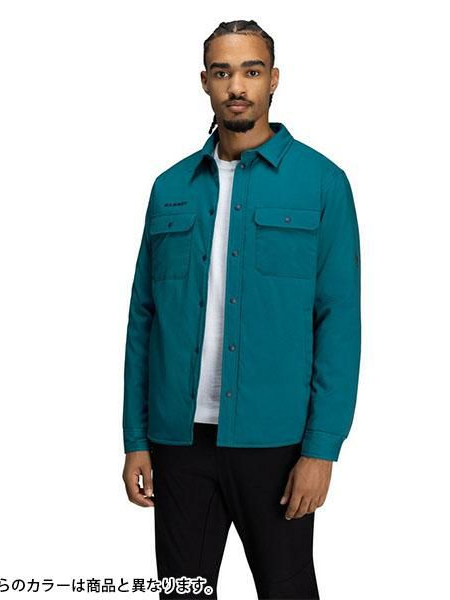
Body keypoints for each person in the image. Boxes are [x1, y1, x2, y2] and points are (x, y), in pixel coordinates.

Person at [122, 19, 361, 600]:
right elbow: (143, 319)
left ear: (273, 80)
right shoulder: (170, 187)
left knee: (287, 590)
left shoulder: (322, 183)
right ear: (204, 81)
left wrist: (321, 449)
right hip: (178, 440)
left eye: (251, 71)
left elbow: (339, 322)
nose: (237, 86)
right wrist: (135, 437)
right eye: (223, 72)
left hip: (275, 443)